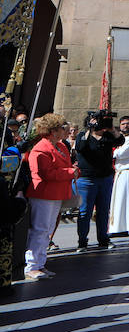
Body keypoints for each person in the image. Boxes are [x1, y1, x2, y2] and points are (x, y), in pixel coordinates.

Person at [24, 114, 76, 280]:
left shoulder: (60, 146)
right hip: (43, 193)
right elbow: (45, 173)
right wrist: (70, 172)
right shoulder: (41, 148)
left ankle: (40, 263)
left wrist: (73, 171)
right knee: (40, 229)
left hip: (55, 193)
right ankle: (31, 265)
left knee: (47, 230)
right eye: (62, 128)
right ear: (53, 131)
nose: (65, 131)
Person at [73, 111, 123, 251]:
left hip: (105, 178)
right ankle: (82, 241)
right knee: (85, 212)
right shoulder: (83, 136)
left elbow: (120, 141)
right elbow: (80, 147)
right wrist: (90, 128)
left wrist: (112, 128)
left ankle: (103, 239)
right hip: (87, 179)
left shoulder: (108, 136)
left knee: (103, 210)